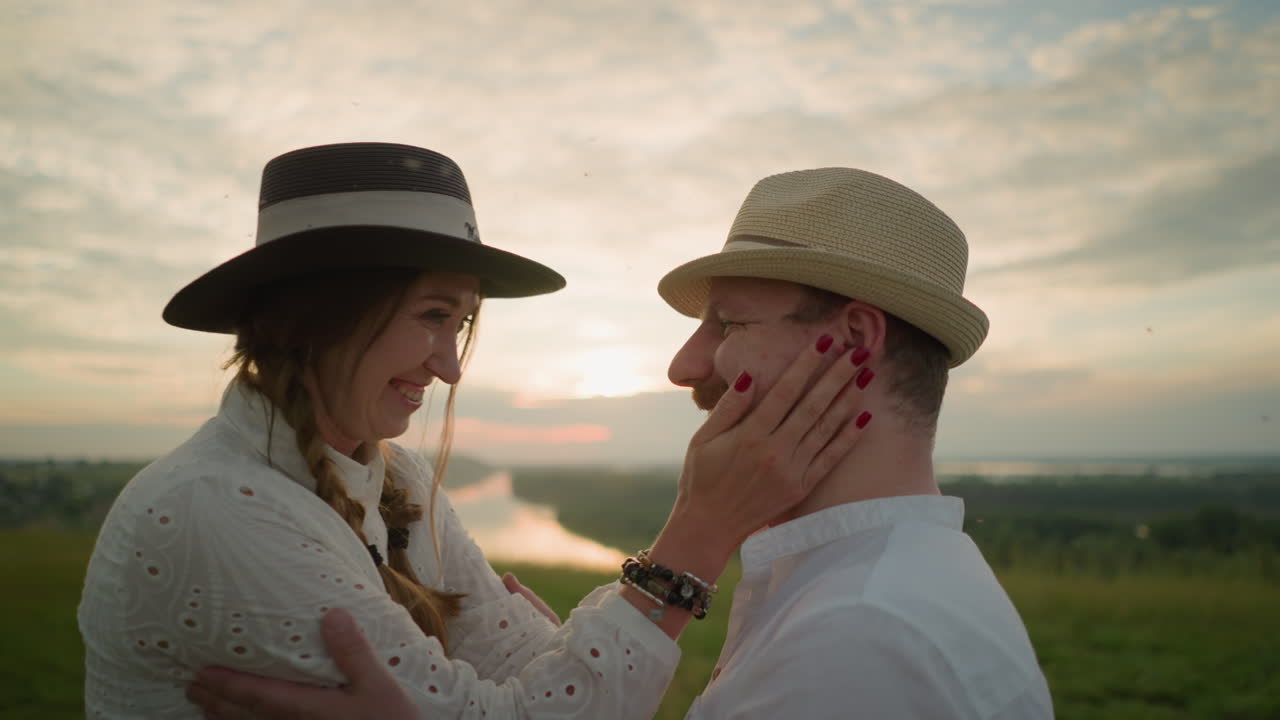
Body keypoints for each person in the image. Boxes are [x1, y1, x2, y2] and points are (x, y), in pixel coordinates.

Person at [187, 166, 1056, 718]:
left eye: (728, 321)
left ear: (854, 343)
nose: (686, 363)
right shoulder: (868, 587)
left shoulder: (859, 637)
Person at [78, 143, 873, 718]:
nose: (449, 368)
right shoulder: (218, 512)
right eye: (432, 317)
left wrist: (555, 660)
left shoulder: (401, 484)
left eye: (459, 326)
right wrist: (696, 537)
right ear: (319, 314)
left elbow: (532, 681)